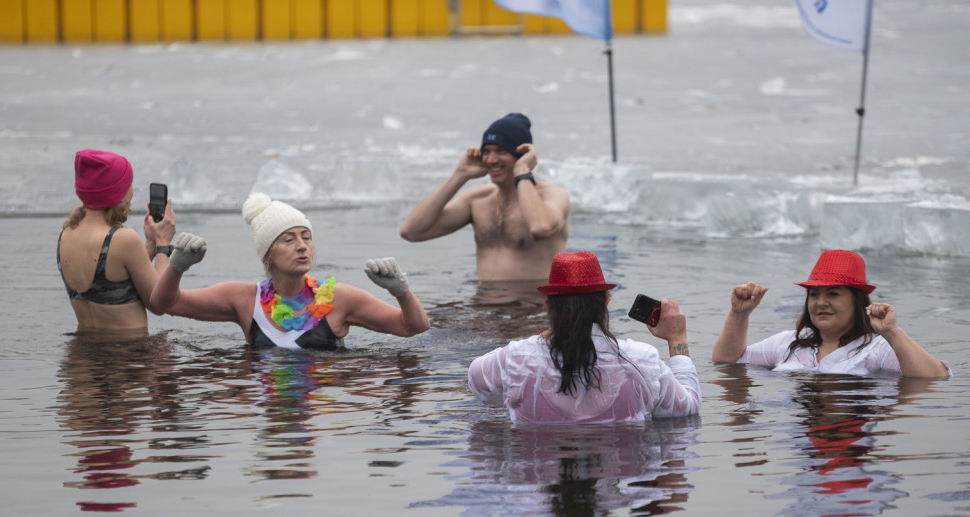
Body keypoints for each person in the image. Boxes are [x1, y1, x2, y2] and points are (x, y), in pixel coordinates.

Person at [149, 193, 430, 350]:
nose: (302, 246)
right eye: (289, 239)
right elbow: (165, 303)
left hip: (319, 410)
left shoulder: (339, 299)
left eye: (306, 237)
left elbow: (414, 327)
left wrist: (401, 290)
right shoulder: (244, 298)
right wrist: (177, 265)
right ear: (268, 253)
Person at [467, 251, 701, 424]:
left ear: (548, 307)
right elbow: (688, 408)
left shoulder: (516, 358)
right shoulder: (641, 361)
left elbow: (476, 380)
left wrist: (547, 336)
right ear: (606, 304)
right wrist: (677, 339)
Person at [711, 249, 950, 378]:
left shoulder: (876, 348)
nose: (820, 303)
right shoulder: (789, 342)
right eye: (814, 294)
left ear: (857, 302)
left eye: (833, 294)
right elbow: (727, 361)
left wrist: (892, 332)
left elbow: (934, 377)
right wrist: (739, 314)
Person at [399, 112, 570, 282]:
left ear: (520, 156)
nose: (491, 160)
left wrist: (522, 170)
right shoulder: (478, 199)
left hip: (532, 304)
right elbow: (411, 232)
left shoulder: (552, 195)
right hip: (482, 304)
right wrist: (460, 175)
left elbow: (540, 227)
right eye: (486, 151)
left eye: (500, 151)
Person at [57, 149, 177, 334]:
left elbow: (119, 275)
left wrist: (150, 245)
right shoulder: (124, 240)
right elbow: (160, 303)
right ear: (117, 192)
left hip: (81, 355)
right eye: (129, 184)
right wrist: (162, 244)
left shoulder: (66, 234)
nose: (132, 191)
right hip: (126, 355)